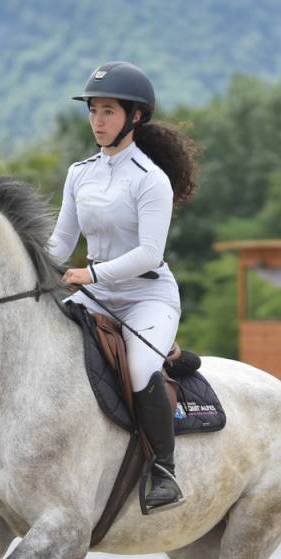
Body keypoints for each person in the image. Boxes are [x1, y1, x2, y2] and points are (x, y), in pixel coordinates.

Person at [46, 61, 200, 514]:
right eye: (93, 110)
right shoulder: (79, 173)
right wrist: (30, 264)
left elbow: (149, 253)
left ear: (135, 117)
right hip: (96, 296)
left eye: (108, 111)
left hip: (146, 296)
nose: (97, 121)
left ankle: (164, 470)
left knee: (138, 368)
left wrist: (90, 275)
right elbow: (61, 242)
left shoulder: (151, 180)